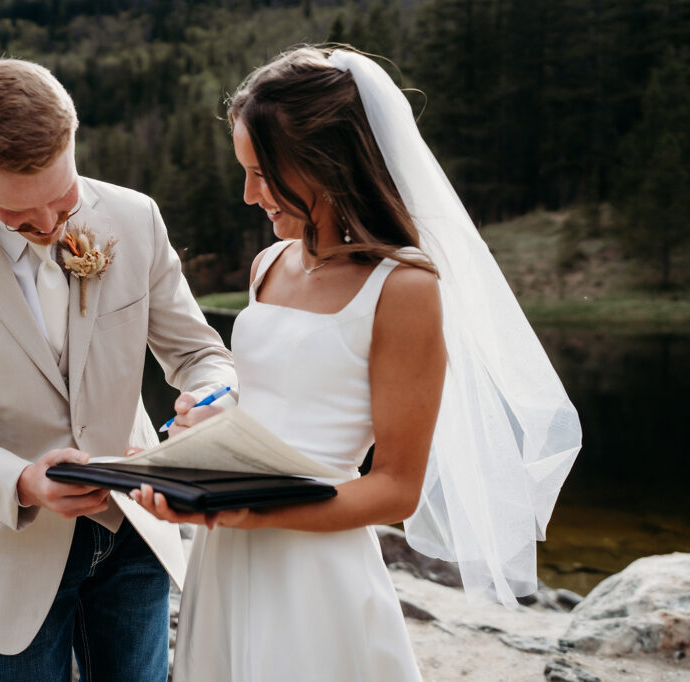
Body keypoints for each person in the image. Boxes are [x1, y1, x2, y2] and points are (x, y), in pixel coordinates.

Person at [134, 46, 582, 681]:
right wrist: (211, 424)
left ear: (325, 164)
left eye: (262, 174)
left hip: (313, 569)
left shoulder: (402, 289)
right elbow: (281, 400)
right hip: (226, 551)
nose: (247, 194)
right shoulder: (270, 266)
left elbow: (394, 487)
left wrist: (253, 509)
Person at [0, 58, 236, 682]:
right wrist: (22, 481)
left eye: (63, 200)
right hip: (15, 550)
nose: (48, 227)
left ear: (73, 139)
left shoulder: (134, 216)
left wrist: (212, 399)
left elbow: (203, 355)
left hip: (135, 532)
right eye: (22, 215)